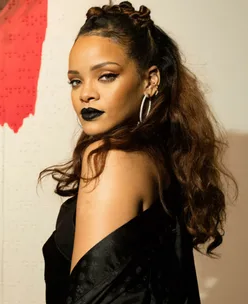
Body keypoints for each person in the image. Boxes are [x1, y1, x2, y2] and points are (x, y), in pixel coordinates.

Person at [40, 1, 236, 303]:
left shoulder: (109, 159)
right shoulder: (160, 158)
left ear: (150, 80)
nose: (85, 93)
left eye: (106, 75)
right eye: (75, 81)